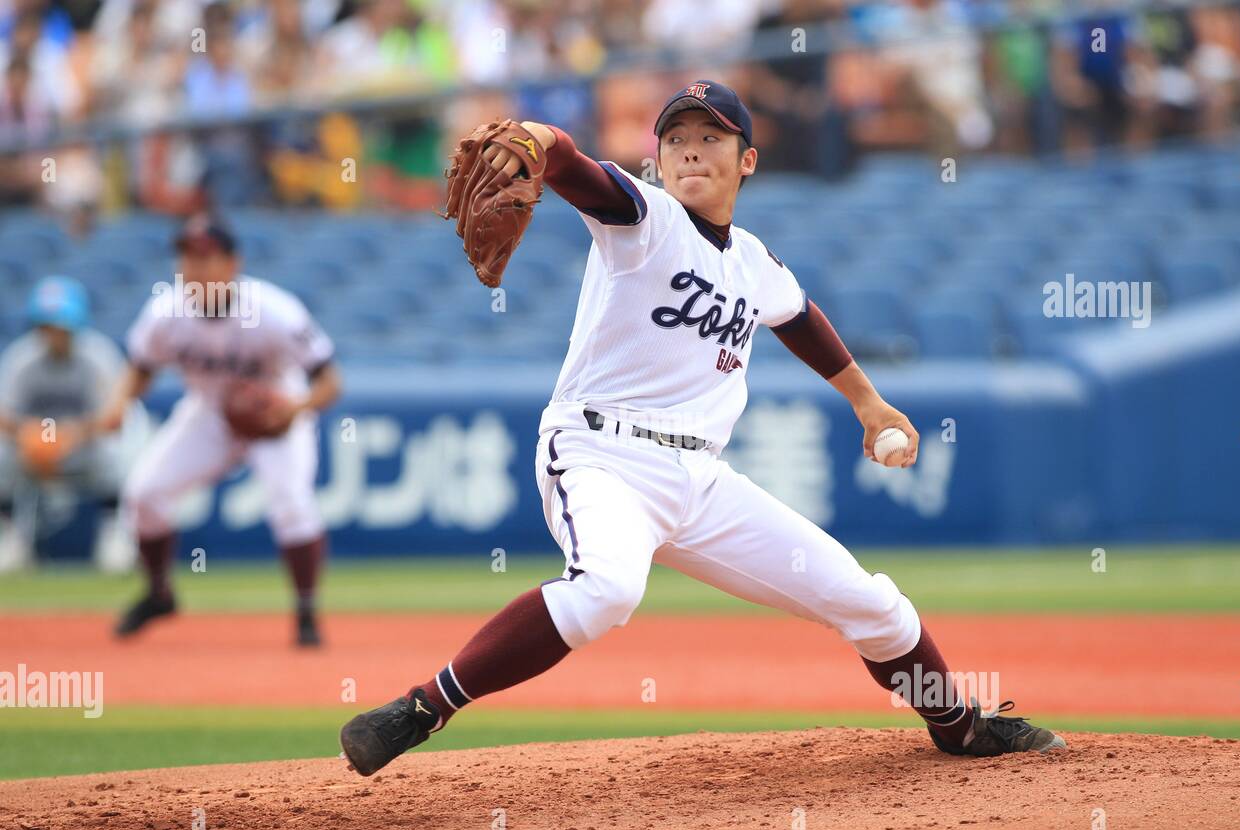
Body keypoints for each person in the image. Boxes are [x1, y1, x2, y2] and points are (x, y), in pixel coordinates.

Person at [339, 80, 1066, 776]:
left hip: (702, 480)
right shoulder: (642, 218)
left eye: (711, 136)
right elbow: (571, 166)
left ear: (746, 159)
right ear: (655, 160)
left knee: (871, 601)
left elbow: (800, 319)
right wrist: (539, 138)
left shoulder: (751, 260)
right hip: (600, 455)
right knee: (606, 591)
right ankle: (419, 709)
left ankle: (958, 727)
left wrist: (868, 403)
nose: (690, 148)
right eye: (675, 137)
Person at [97, 215, 341, 647]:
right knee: (144, 495)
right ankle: (159, 594)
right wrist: (119, 403)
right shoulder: (165, 312)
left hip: (274, 410)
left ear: (232, 263)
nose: (195, 268)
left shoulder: (274, 310)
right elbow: (140, 369)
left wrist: (295, 408)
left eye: (206, 258)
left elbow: (329, 383)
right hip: (209, 412)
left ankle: (306, 614)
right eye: (187, 257)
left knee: (292, 503)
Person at [0, 276, 132, 573]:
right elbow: (3, 414)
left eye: (59, 326)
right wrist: (28, 435)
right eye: (46, 326)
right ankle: (11, 538)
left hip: (82, 450)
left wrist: (72, 434)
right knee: (1, 457)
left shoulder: (98, 355)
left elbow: (114, 416)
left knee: (116, 455)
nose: (53, 334)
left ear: (76, 324)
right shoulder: (22, 358)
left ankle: (114, 536)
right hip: (31, 450)